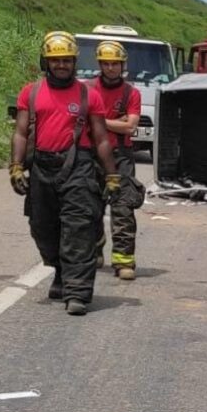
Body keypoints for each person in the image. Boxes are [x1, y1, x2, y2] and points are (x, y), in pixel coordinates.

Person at [9, 31, 120, 316]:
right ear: (45, 62)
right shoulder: (30, 92)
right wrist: (16, 166)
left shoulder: (89, 95)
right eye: (55, 60)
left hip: (79, 167)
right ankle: (60, 272)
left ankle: (78, 292)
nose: (61, 65)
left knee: (78, 229)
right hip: (42, 168)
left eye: (66, 60)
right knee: (43, 228)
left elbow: (101, 138)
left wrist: (111, 175)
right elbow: (21, 133)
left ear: (74, 62)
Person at [85, 40, 142, 281]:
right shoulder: (87, 89)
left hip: (121, 156)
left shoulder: (132, 93)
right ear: (100, 64)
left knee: (123, 207)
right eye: (106, 64)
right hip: (91, 154)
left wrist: (98, 121)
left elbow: (130, 126)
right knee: (89, 205)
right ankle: (94, 250)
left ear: (122, 65)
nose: (110, 68)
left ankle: (123, 261)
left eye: (115, 64)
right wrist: (114, 122)